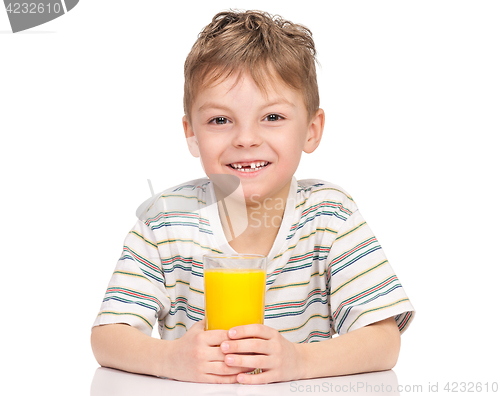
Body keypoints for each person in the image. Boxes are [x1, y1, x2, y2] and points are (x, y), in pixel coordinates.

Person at [91, 9, 415, 385]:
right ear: (192, 133)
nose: (246, 139)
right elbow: (107, 338)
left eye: (272, 117)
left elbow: (384, 342)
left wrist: (300, 361)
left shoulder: (330, 216)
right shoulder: (165, 221)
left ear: (311, 130)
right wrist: (168, 358)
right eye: (220, 120)